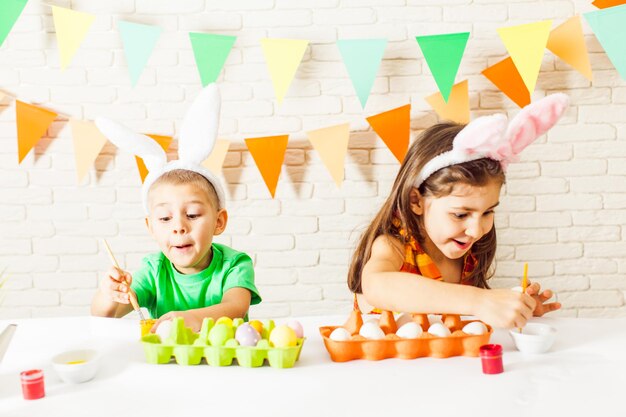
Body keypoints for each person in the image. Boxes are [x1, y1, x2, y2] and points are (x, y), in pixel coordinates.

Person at [347, 94, 568, 329]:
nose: (475, 230)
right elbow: (376, 286)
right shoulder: (393, 246)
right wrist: (480, 301)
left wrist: (516, 307)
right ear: (416, 201)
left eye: (487, 213)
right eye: (461, 215)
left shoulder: (469, 254)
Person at [90, 84, 261, 332]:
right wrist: (108, 294)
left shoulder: (235, 265)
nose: (179, 227)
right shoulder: (153, 271)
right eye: (164, 218)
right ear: (150, 226)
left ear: (219, 222)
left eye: (192, 214)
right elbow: (103, 316)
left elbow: (235, 307)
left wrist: (188, 319)